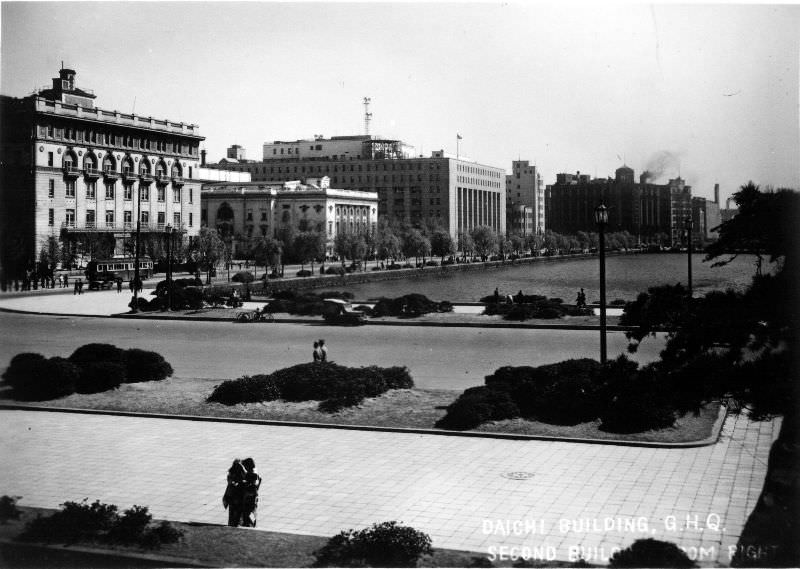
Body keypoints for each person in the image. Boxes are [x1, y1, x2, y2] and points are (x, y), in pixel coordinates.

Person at [223, 459, 246, 527]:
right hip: (235, 495)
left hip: (235, 495)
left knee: (235, 511)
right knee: (235, 511)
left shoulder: (237, 473)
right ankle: (235, 524)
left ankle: (235, 523)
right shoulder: (232, 474)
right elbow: (230, 482)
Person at [240, 457, 262, 527]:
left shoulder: (252, 474)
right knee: (252, 512)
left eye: (245, 466)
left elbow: (252, 489)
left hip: (250, 499)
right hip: (253, 499)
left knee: (248, 514)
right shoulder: (254, 472)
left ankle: (249, 526)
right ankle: (251, 525)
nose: (244, 468)